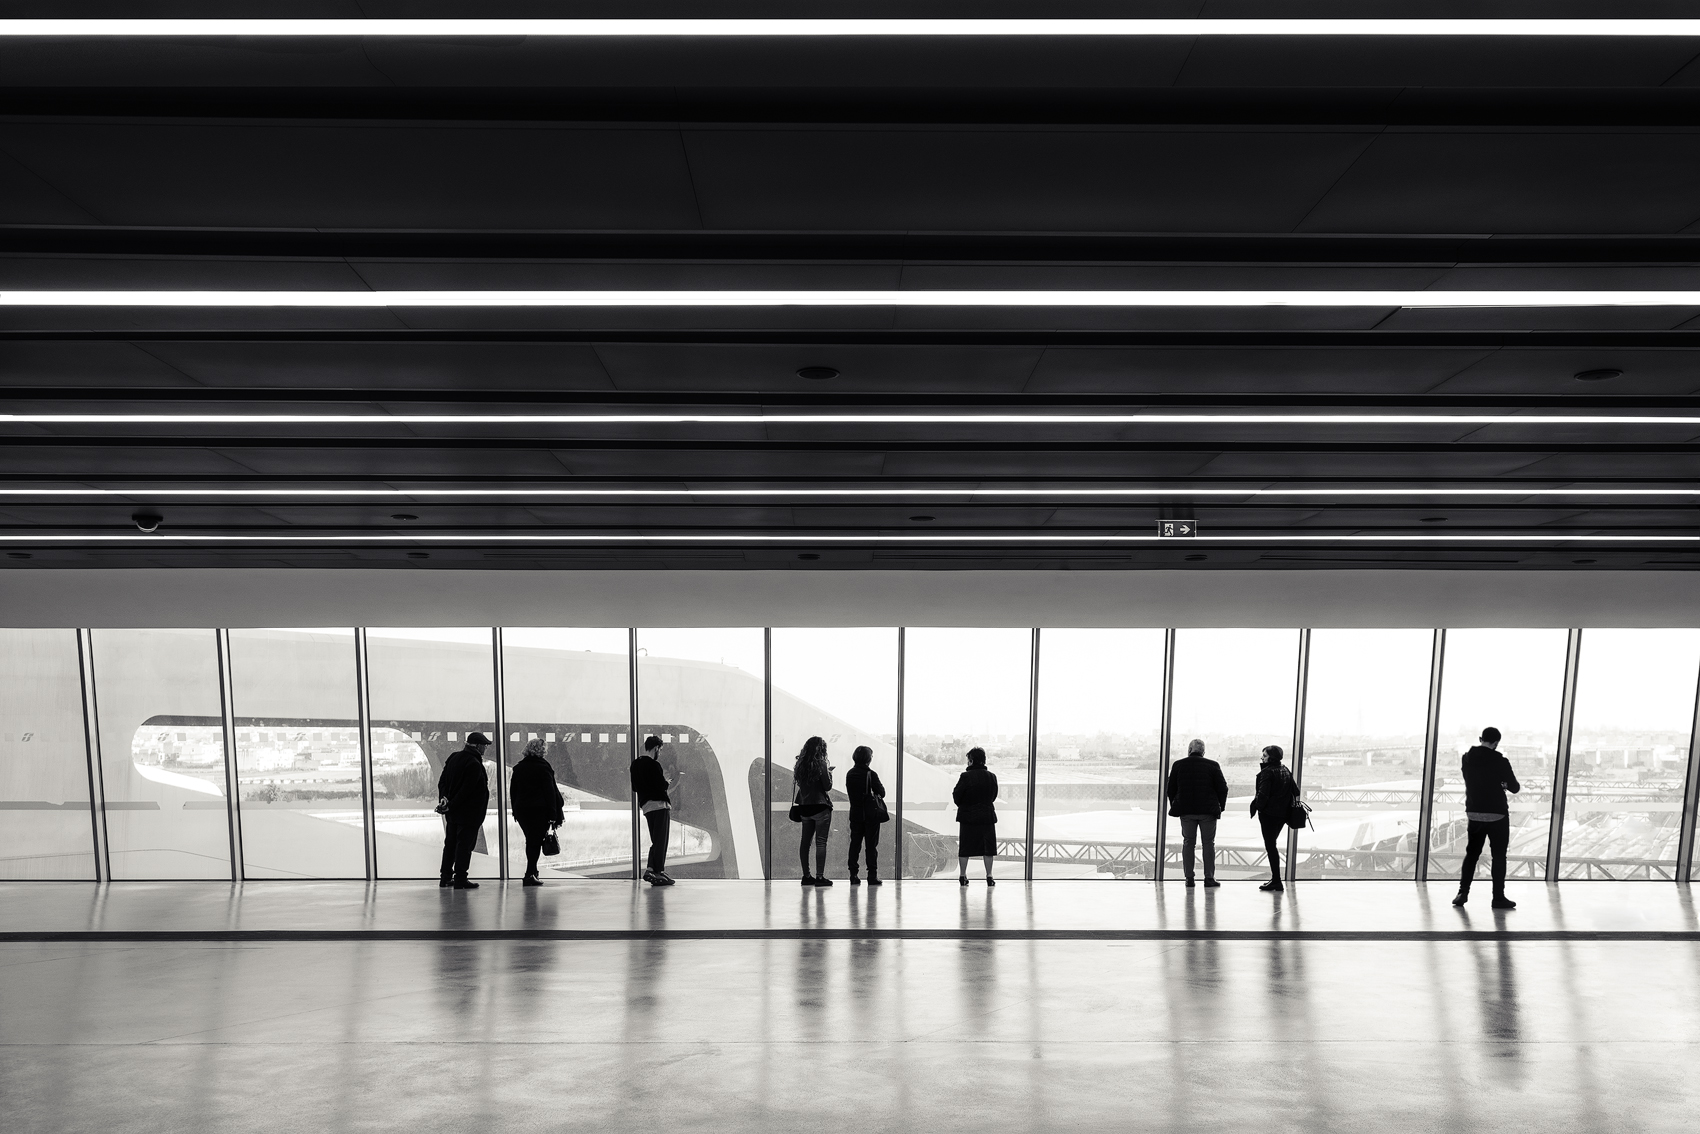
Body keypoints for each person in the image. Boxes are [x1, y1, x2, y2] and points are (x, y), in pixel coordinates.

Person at [1454, 726, 1521, 910]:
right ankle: (1498, 898)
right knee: (1498, 857)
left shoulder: (1466, 759)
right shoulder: (1501, 761)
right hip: (1497, 814)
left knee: (1472, 855)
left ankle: (1462, 892)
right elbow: (1514, 787)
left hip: (1474, 812)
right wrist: (1502, 782)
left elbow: (1472, 780)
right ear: (1496, 743)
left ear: (1480, 738)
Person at [1166, 738, 1228, 888]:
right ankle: (1209, 878)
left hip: (1186, 811)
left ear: (1189, 750)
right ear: (1203, 751)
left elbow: (1171, 789)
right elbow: (1223, 788)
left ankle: (1189, 878)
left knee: (1188, 843)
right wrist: (1221, 806)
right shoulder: (1213, 765)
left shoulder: (1178, 765)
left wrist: (1176, 804)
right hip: (1208, 812)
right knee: (1208, 844)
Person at [437, 731, 491, 890]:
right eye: (484, 746)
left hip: (452, 814)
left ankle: (445, 877)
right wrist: (452, 804)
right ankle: (460, 878)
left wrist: (445, 801)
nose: (485, 749)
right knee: (464, 846)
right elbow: (468, 790)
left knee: (450, 845)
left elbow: (442, 782)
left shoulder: (454, 758)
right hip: (469, 814)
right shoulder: (474, 763)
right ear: (478, 746)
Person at [509, 737, 565, 887]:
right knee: (534, 842)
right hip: (539, 812)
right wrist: (553, 815)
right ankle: (529, 874)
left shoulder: (518, 768)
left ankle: (532, 873)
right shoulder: (543, 767)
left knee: (531, 840)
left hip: (522, 812)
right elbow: (550, 792)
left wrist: (515, 810)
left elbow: (513, 791)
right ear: (542, 750)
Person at [631, 734, 682, 886]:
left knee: (656, 839)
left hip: (647, 807)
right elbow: (661, 785)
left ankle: (654, 869)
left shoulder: (635, 765)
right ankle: (656, 871)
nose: (659, 753)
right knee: (661, 840)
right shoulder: (654, 765)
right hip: (660, 805)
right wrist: (665, 782)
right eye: (659, 749)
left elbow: (635, 787)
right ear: (655, 748)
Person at [1248, 744, 1297, 892]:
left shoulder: (1267, 773)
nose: (1262, 757)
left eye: (1264, 755)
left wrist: (1259, 807)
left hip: (1269, 815)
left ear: (1271, 757)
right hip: (1283, 815)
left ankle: (1276, 880)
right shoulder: (1285, 770)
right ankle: (1276, 879)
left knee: (1270, 847)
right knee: (1272, 845)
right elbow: (1296, 790)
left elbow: (1262, 795)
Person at [792, 736, 835, 886]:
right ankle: (819, 877)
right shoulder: (821, 764)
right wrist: (829, 773)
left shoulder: (800, 765)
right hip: (820, 807)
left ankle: (806, 875)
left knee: (805, 843)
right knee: (821, 842)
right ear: (821, 749)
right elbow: (827, 786)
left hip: (805, 807)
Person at [952, 746, 999, 886]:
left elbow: (957, 796)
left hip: (968, 817)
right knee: (988, 848)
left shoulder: (965, 777)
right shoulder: (991, 776)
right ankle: (989, 876)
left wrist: (964, 804)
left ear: (971, 761)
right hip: (986, 816)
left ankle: (962, 876)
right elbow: (993, 796)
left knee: (965, 847)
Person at [845, 745, 887, 886]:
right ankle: (872, 876)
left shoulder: (850, 774)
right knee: (871, 846)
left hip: (856, 814)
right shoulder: (871, 774)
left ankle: (853, 874)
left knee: (855, 844)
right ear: (868, 759)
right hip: (870, 815)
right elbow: (882, 792)